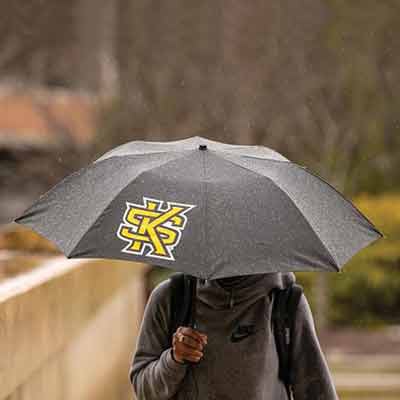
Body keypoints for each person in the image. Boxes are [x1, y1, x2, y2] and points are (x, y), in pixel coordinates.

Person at [129, 272, 339, 399]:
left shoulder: (285, 302)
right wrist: (174, 359)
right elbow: (144, 389)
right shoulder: (171, 298)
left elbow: (317, 391)